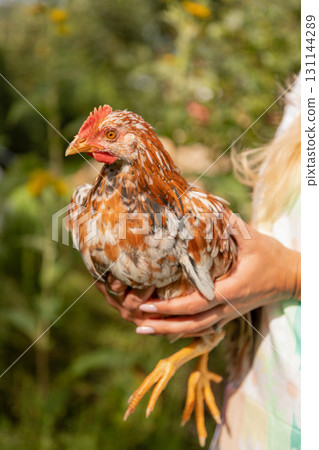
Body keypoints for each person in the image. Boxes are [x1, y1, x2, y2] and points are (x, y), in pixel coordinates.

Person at [96, 77, 301, 449]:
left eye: (109, 135)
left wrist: (293, 274)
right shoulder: (306, 86)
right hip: (257, 379)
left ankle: (203, 350)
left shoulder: (188, 221)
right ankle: (207, 354)